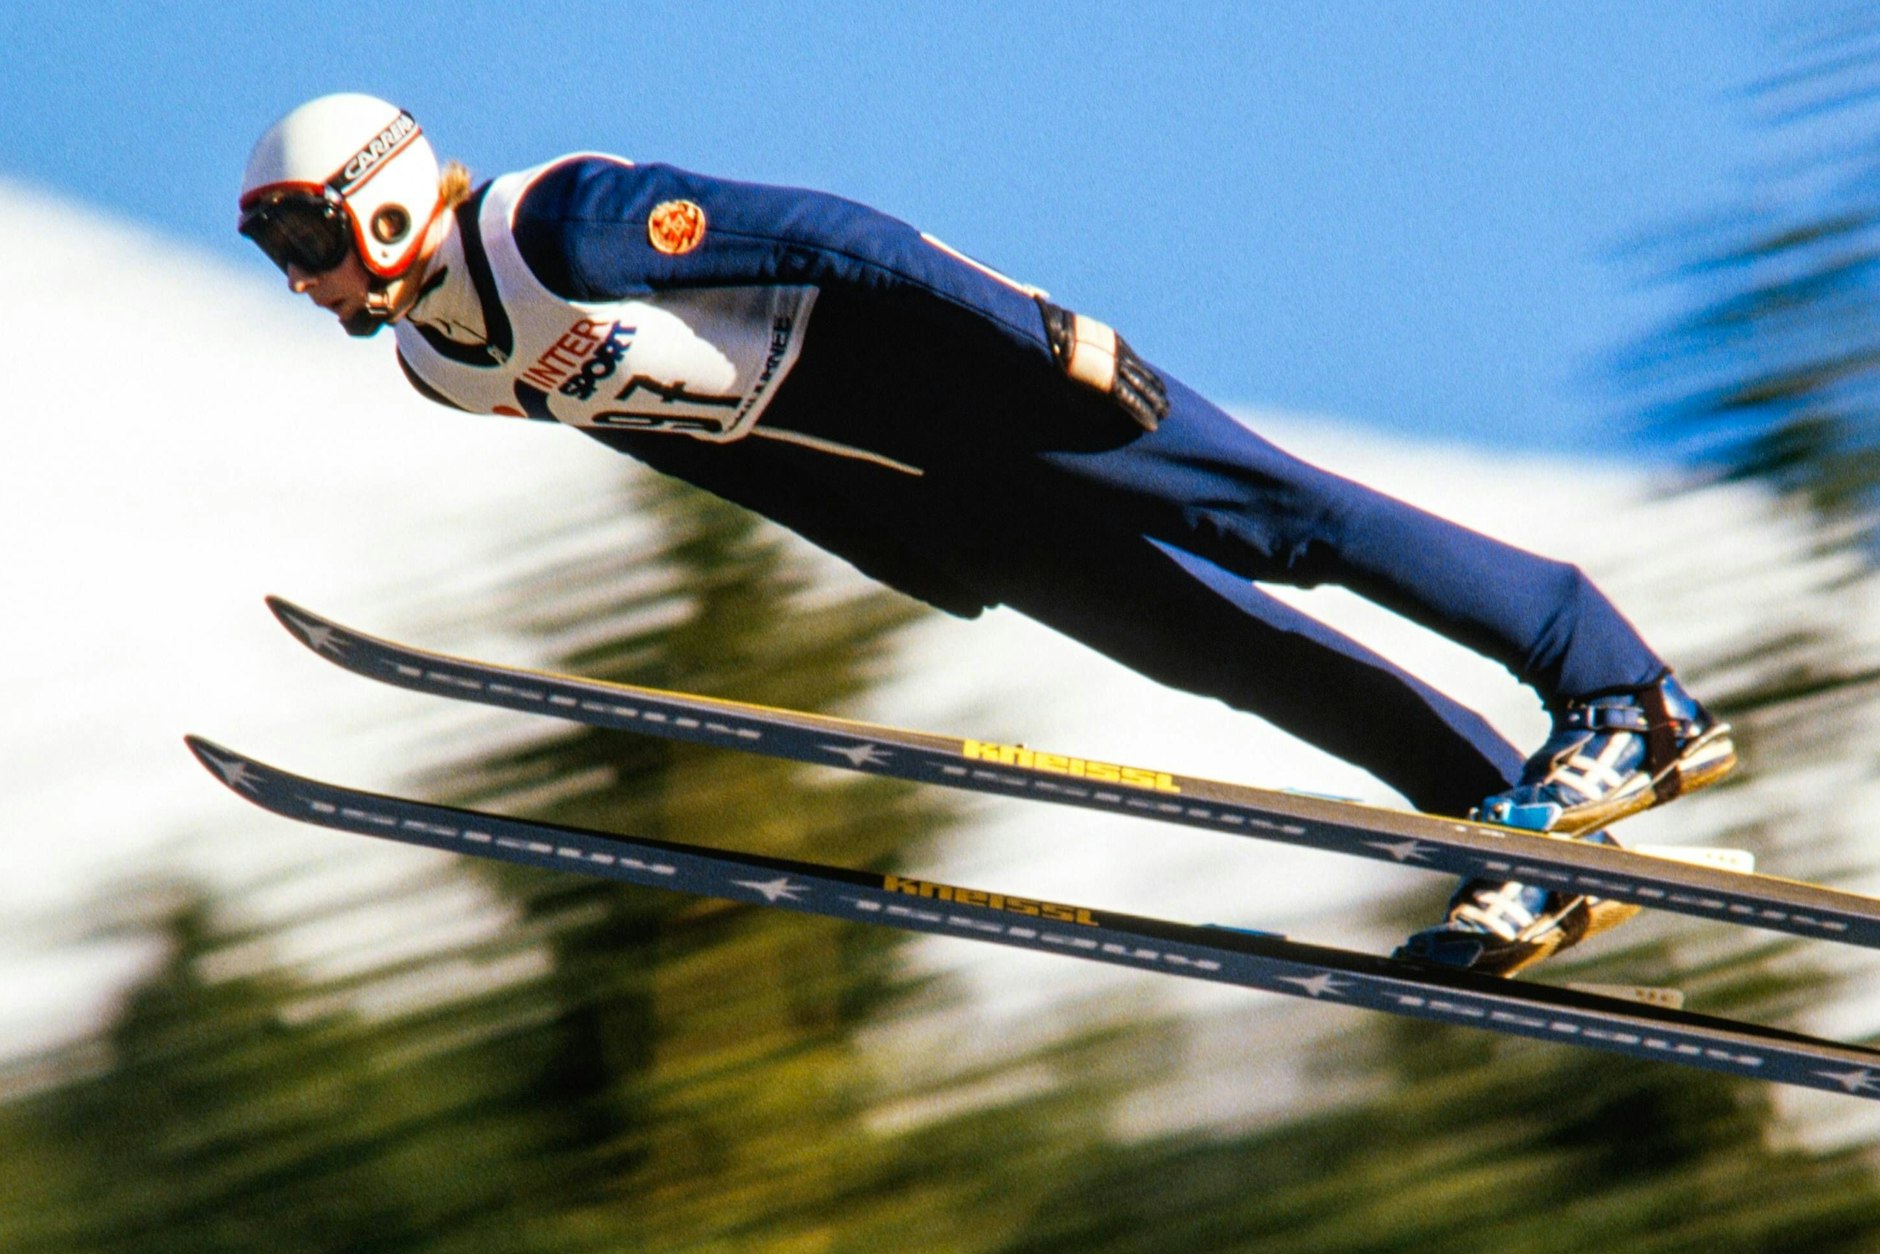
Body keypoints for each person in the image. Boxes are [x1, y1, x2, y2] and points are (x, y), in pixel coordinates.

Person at [237, 93, 1737, 976]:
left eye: (307, 237)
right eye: (279, 251)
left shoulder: (553, 226)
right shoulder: (447, 367)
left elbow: (839, 239)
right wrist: (896, 551)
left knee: (1287, 527)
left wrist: (1046, 335)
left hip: (990, 387)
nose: (302, 277)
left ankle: (1620, 691)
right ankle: (1503, 823)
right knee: (1218, 651)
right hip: (931, 494)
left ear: (374, 202)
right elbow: (705, 448)